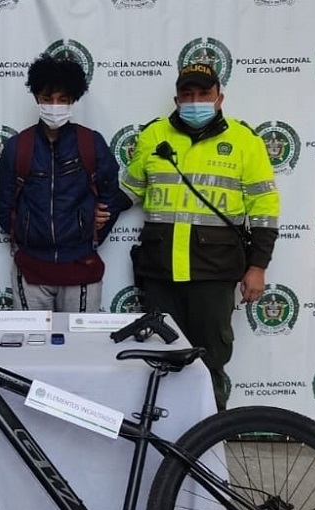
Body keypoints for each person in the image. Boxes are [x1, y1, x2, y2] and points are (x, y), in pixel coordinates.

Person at [120, 62, 280, 411]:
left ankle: (211, 439)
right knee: (161, 359)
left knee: (210, 358)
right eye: (188, 95)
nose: (196, 101)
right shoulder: (153, 136)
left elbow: (264, 206)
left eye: (203, 94)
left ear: (219, 97)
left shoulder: (244, 141)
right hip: (160, 271)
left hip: (214, 271)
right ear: (177, 99)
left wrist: (258, 267)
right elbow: (129, 190)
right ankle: (167, 444)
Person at [0, 54, 132, 312]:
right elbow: (3, 203)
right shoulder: (18, 147)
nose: (54, 106)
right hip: (30, 267)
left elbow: (111, 197)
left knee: (81, 347)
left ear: (72, 100)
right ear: (36, 99)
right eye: (47, 99)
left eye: (62, 100)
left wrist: (93, 229)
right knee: (32, 345)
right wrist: (22, 230)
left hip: (81, 264)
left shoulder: (91, 143)